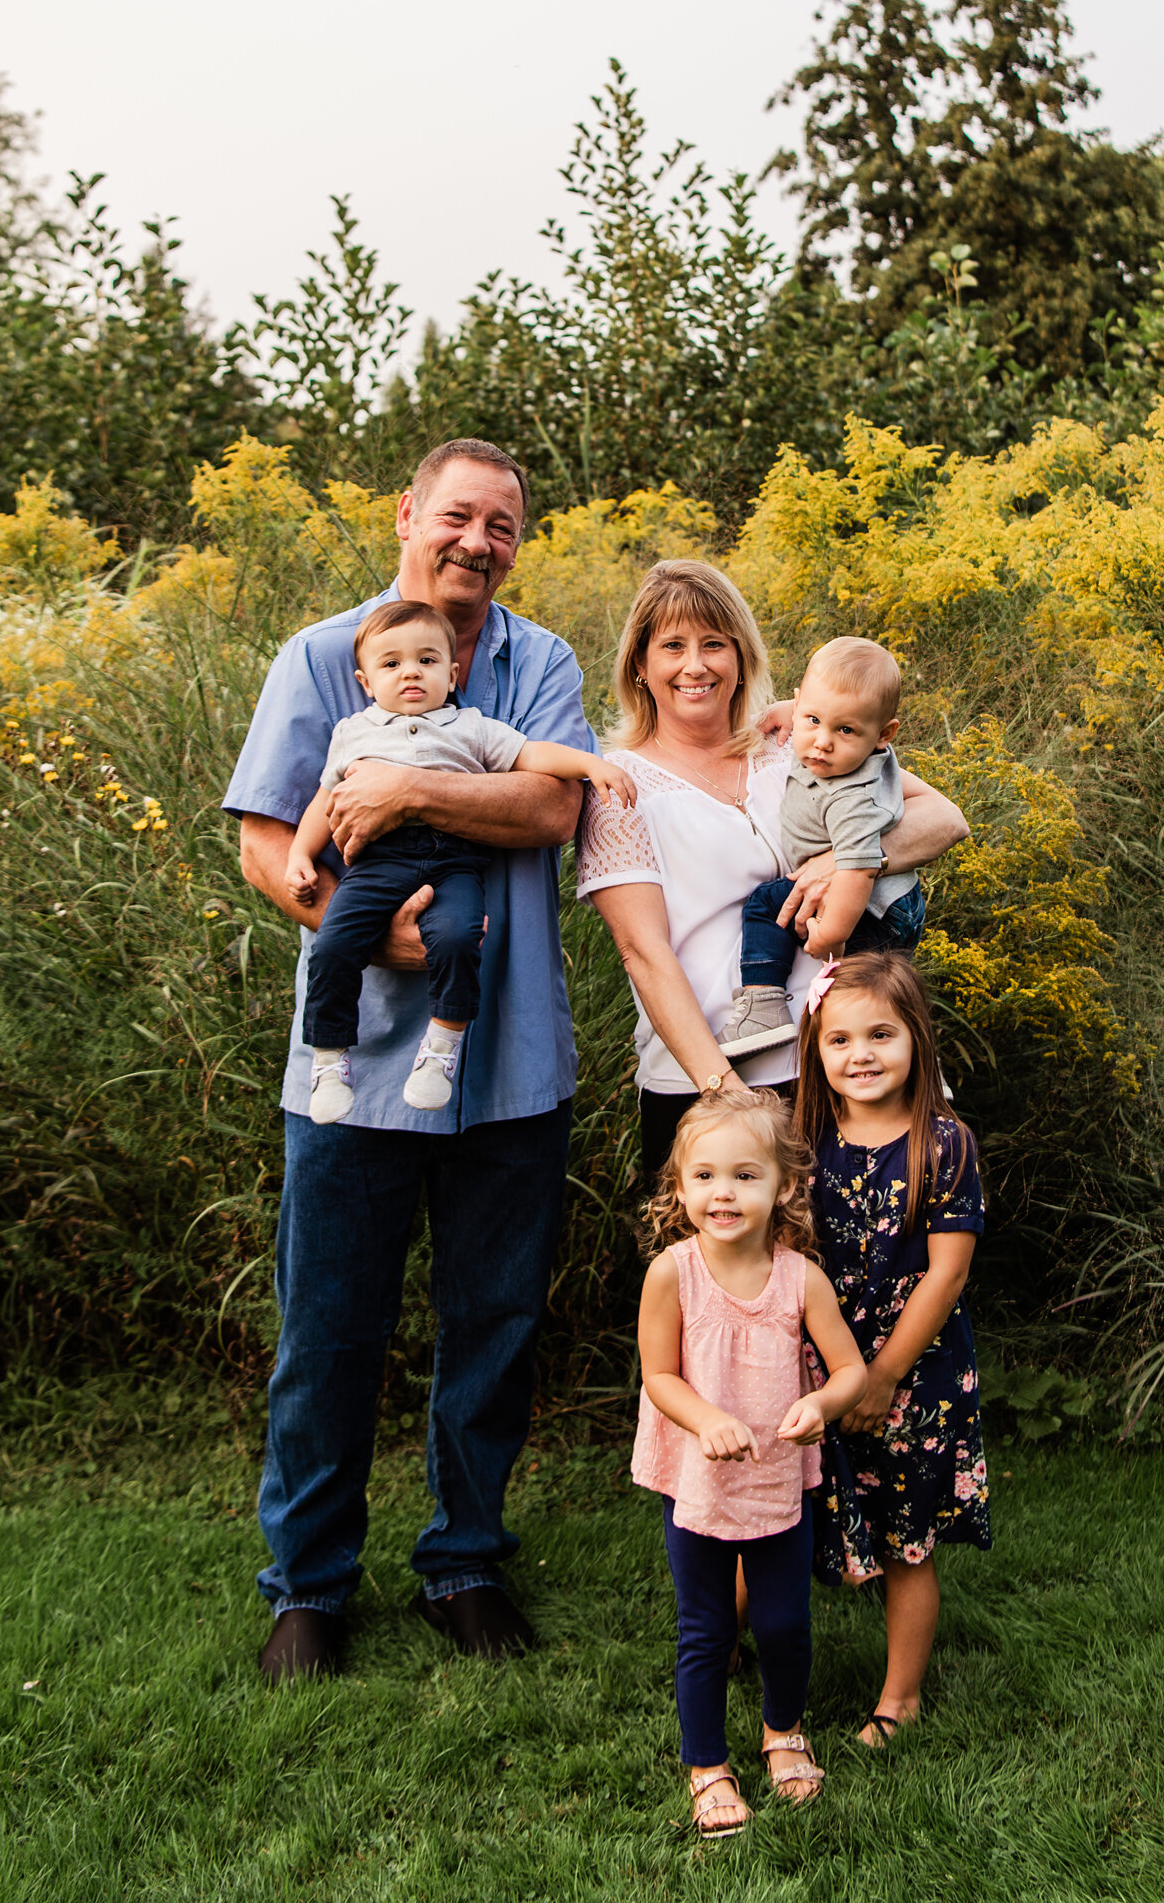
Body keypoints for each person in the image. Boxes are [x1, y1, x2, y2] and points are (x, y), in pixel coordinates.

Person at [225, 439, 593, 1679]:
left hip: (511, 1053)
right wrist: (359, 926)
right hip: (349, 1060)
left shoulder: (540, 662)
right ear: (406, 515)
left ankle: (464, 1561)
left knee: (489, 1323)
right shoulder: (319, 654)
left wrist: (397, 790)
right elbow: (268, 834)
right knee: (328, 1329)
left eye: (501, 524)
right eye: (456, 516)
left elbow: (551, 808)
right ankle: (308, 1587)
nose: (476, 541)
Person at [575, 560, 969, 1188]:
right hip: (707, 1082)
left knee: (868, 1270)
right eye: (672, 646)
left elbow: (944, 818)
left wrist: (842, 859)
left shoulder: (795, 743)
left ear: (741, 655)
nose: (695, 665)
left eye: (714, 644)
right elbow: (641, 951)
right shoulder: (617, 785)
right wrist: (724, 1095)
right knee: (736, 1281)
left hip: (844, 1064)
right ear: (640, 667)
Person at [287, 598, 633, 1122]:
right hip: (377, 864)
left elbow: (532, 756)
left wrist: (589, 763)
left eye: (426, 661)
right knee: (333, 943)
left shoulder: (470, 727)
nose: (410, 673)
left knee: (458, 936)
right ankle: (330, 1058)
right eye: (391, 664)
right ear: (365, 681)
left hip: (454, 862)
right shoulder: (354, 733)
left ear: (451, 675)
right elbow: (324, 800)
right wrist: (301, 854)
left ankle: (442, 1048)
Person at [632, 1090, 867, 1836]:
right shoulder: (673, 1273)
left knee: (784, 1621)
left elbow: (848, 1370)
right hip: (698, 1479)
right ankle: (706, 1764)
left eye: (743, 1176)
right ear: (678, 1188)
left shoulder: (800, 1278)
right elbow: (659, 1376)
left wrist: (821, 1406)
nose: (722, 1194)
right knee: (705, 1628)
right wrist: (706, 1420)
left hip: (775, 1477)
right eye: (702, 1177)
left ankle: (782, 1733)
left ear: (784, 1188)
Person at [794, 950, 991, 1747]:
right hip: (814, 1365)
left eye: (881, 1034)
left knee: (906, 1535)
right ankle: (745, 1654)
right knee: (789, 1518)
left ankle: (898, 1698)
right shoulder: (802, 1143)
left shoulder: (942, 1144)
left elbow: (944, 1278)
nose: (861, 1055)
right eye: (839, 1040)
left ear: (916, 1039)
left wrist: (879, 1376)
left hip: (912, 1371)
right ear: (814, 1049)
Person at [719, 635, 925, 1062]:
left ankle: (763, 1007)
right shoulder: (825, 744)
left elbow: (859, 869)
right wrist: (789, 714)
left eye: (845, 730)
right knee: (878, 993)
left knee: (768, 907)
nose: (822, 742)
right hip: (895, 899)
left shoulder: (850, 795)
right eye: (812, 720)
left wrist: (833, 934)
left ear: (883, 735)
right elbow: (821, 717)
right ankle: (915, 1056)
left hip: (875, 906)